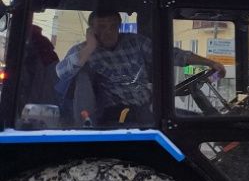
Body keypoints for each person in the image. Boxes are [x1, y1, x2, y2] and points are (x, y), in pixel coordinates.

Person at [56, 8, 226, 125]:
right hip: (115, 117)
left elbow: (169, 54)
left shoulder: (134, 42)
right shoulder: (82, 51)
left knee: (198, 121)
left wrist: (210, 63)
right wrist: (90, 47)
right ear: (91, 30)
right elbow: (61, 73)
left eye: (113, 26)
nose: (108, 31)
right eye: (101, 27)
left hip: (147, 109)